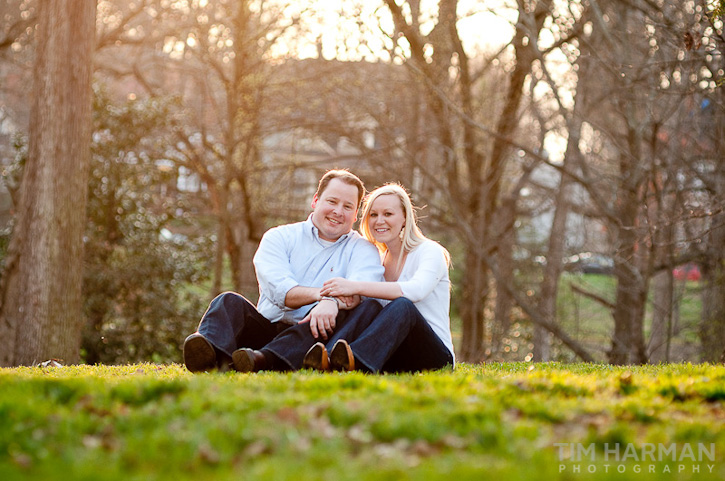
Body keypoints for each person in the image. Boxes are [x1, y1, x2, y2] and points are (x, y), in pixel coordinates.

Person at [182, 169, 384, 372]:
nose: (338, 212)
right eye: (332, 202)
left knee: (327, 318)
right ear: (315, 201)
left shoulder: (363, 249)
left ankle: (262, 360)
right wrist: (325, 298)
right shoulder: (279, 237)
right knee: (227, 301)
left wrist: (331, 305)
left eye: (347, 206)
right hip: (266, 328)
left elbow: (361, 290)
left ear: (356, 214)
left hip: (311, 340)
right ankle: (207, 353)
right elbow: (282, 291)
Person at [304, 183, 455, 373]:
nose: (379, 221)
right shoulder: (378, 260)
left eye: (388, 214)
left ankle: (355, 360)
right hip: (394, 354)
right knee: (370, 306)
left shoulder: (429, 251)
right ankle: (326, 356)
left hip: (434, 356)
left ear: (405, 218)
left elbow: (415, 291)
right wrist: (330, 301)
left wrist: (355, 286)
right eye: (373, 215)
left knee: (402, 305)